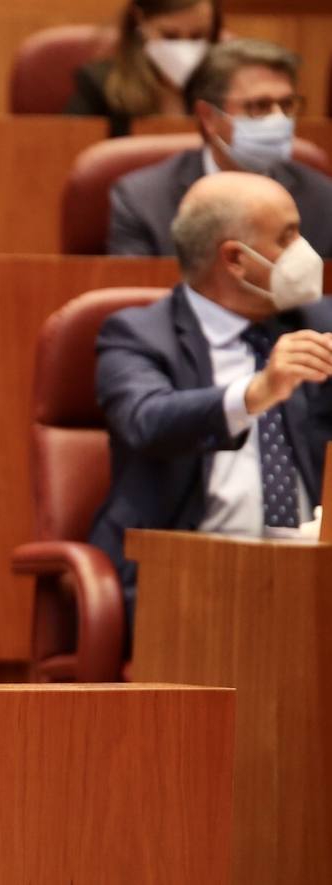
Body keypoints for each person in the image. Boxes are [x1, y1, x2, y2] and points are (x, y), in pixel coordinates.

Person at [90, 171, 332, 629]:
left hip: (312, 573)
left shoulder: (321, 322)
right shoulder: (137, 335)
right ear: (236, 260)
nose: (307, 253)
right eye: (288, 237)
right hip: (189, 577)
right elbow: (147, 420)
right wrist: (256, 393)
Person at [109, 39, 332, 258]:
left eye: (287, 105)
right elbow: (141, 290)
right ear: (208, 117)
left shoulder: (323, 199)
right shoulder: (142, 199)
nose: (278, 119)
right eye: (259, 106)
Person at [65, 0, 221, 137]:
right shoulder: (97, 83)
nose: (183, 48)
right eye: (169, 36)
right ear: (140, 19)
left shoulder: (225, 85)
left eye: (197, 36)